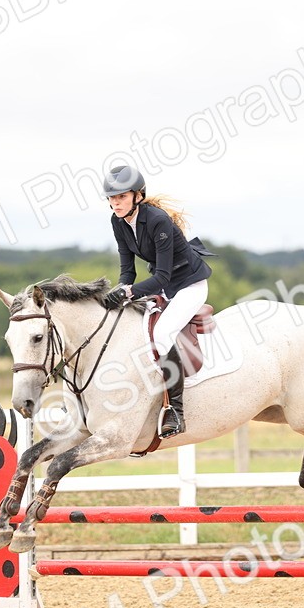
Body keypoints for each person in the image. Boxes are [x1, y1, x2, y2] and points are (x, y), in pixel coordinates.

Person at [100, 165, 212, 439]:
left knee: (162, 333)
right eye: (112, 198)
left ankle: (175, 410)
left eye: (122, 197)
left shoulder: (158, 220)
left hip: (189, 285)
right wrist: (121, 290)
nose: (116, 203)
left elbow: (161, 276)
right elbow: (128, 270)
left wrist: (129, 294)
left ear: (138, 195)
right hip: (165, 286)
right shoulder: (118, 222)